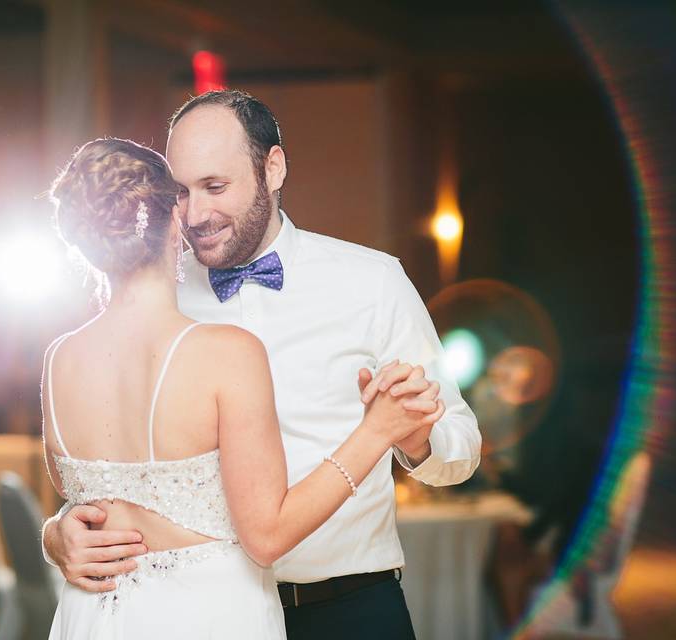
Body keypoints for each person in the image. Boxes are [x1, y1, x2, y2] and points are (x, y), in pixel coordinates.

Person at [43, 90, 482, 639]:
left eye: (215, 187)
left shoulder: (373, 282)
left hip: (348, 605)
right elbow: (113, 463)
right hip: (205, 615)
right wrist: (59, 531)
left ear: (272, 168)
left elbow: (460, 445)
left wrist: (414, 439)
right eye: (180, 191)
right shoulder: (152, 290)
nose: (195, 214)